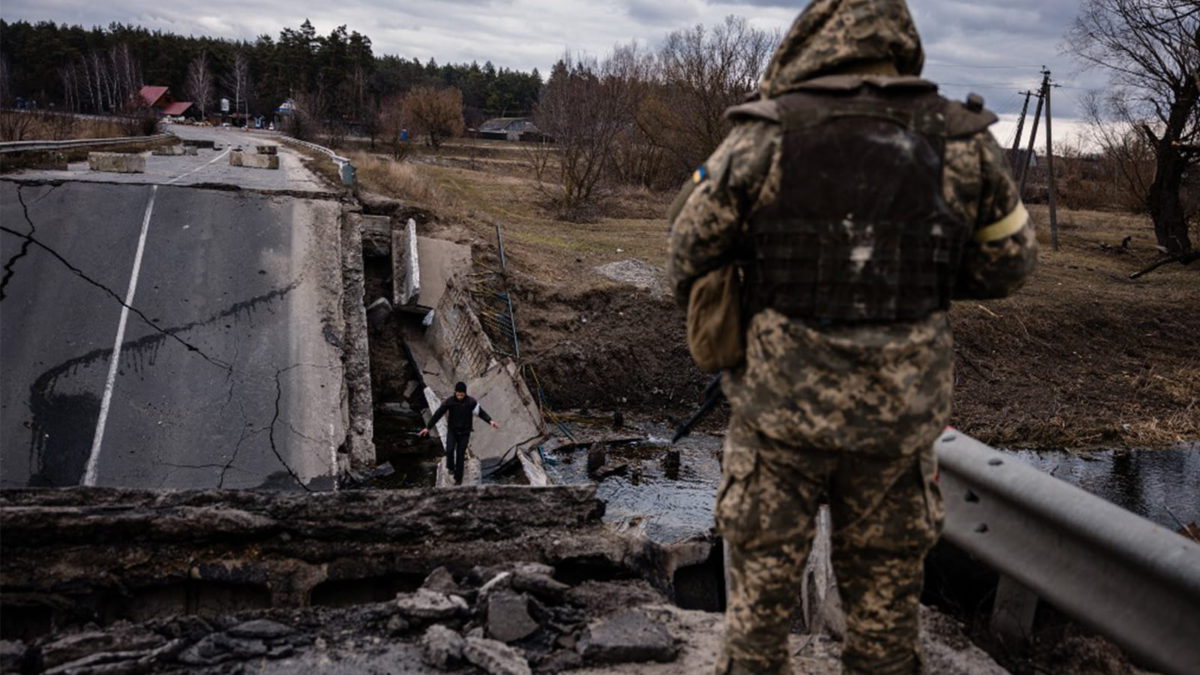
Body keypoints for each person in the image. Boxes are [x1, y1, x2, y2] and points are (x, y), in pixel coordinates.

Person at [666, 1, 1038, 673]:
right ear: (900, 43)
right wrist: (915, 272)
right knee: (885, 629)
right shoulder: (960, 138)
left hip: (779, 418)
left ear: (811, 42)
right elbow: (1011, 263)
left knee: (755, 628)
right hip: (896, 423)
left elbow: (687, 249)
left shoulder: (765, 133)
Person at [419, 381, 500, 485]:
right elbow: (438, 414)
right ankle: (450, 467)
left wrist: (490, 421)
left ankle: (458, 478)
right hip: (452, 431)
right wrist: (428, 427)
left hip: (465, 432)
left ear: (465, 393)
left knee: (460, 454)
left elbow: (481, 412)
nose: (460, 397)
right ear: (455, 392)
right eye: (458, 394)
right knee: (449, 449)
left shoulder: (471, 402)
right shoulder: (449, 401)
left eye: (462, 395)